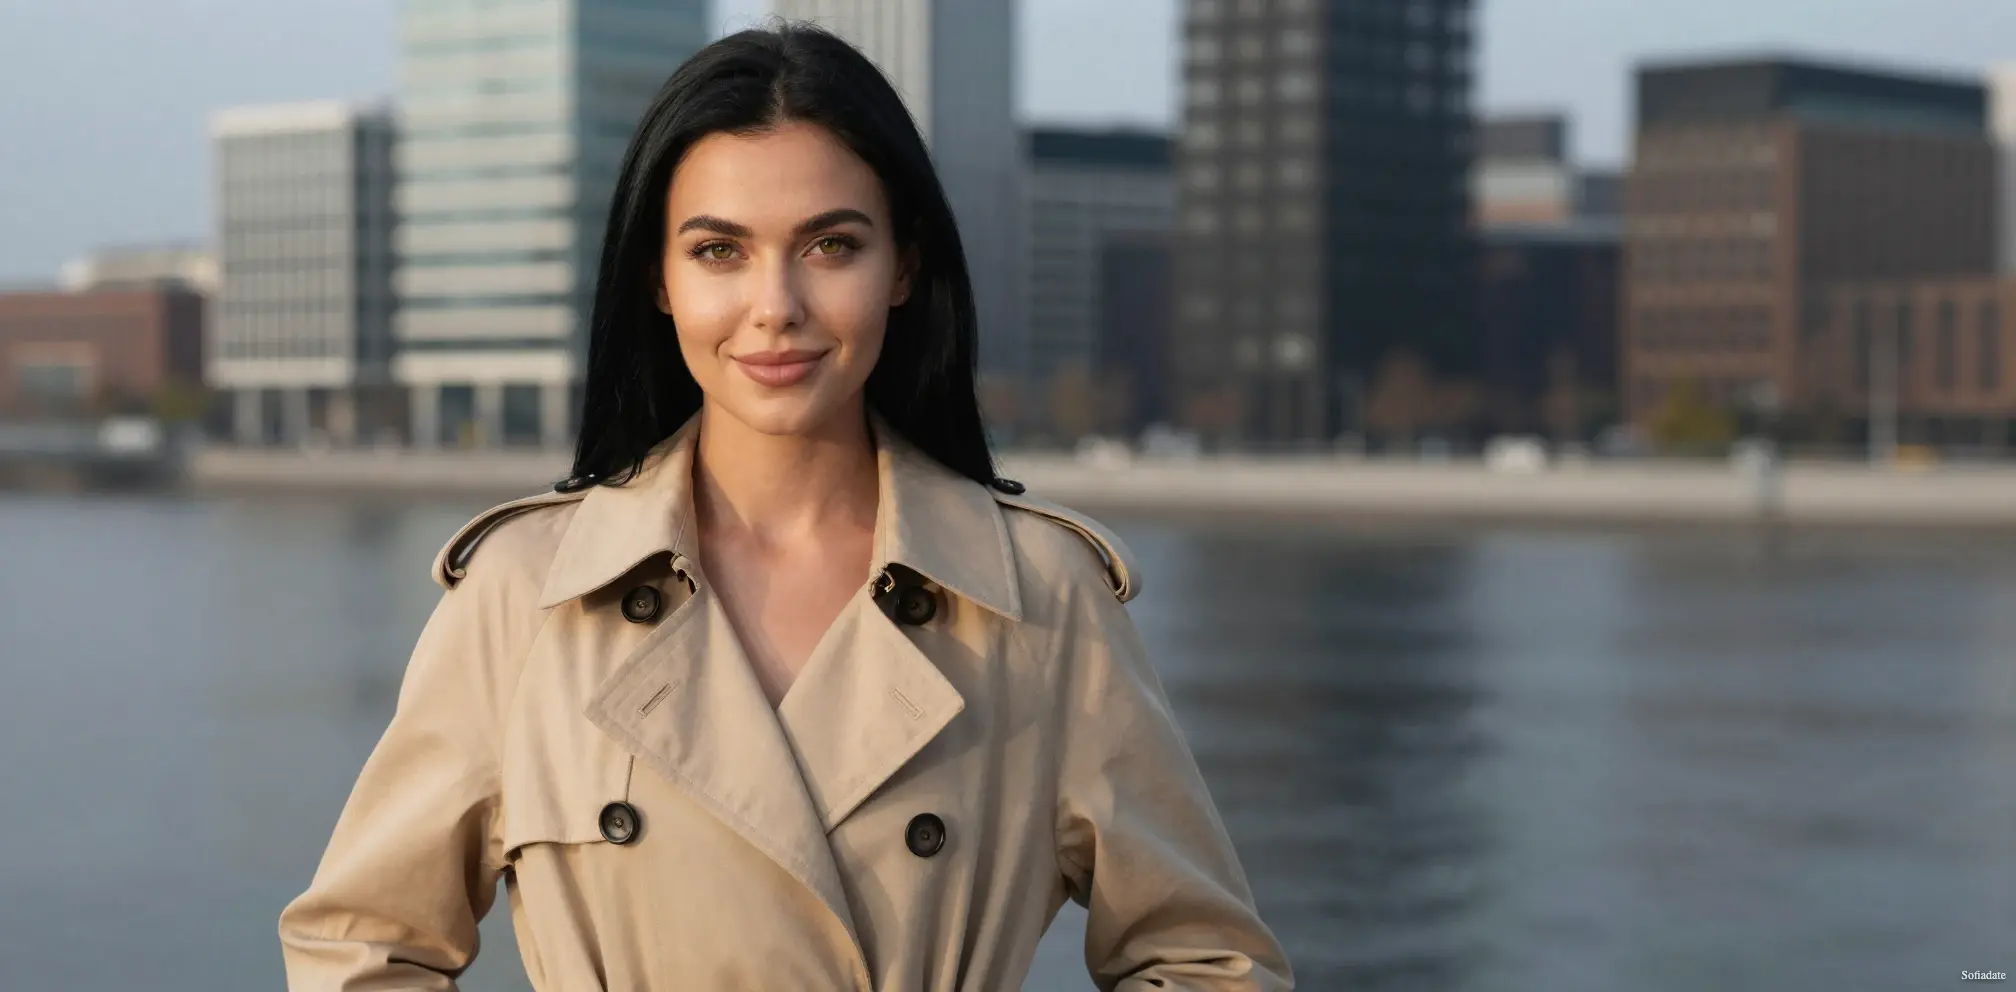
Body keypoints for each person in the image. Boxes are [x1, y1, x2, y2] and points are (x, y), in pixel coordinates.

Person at [278, 23, 1292, 991]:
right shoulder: (526, 596)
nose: (776, 306)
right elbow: (363, 947)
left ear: (904, 267)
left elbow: (1202, 959)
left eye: (830, 246)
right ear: (659, 282)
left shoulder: (1041, 598)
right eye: (719, 250)